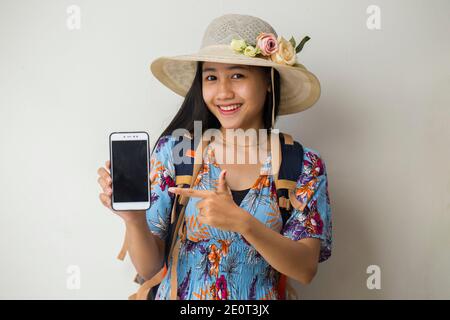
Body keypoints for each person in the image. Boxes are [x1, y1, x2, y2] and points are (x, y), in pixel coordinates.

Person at [97, 13, 332, 300]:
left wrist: (242, 222)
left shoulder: (303, 165)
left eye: (237, 75)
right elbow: (150, 269)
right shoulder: (176, 153)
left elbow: (305, 268)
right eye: (211, 77)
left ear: (268, 81)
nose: (223, 92)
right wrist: (133, 220)